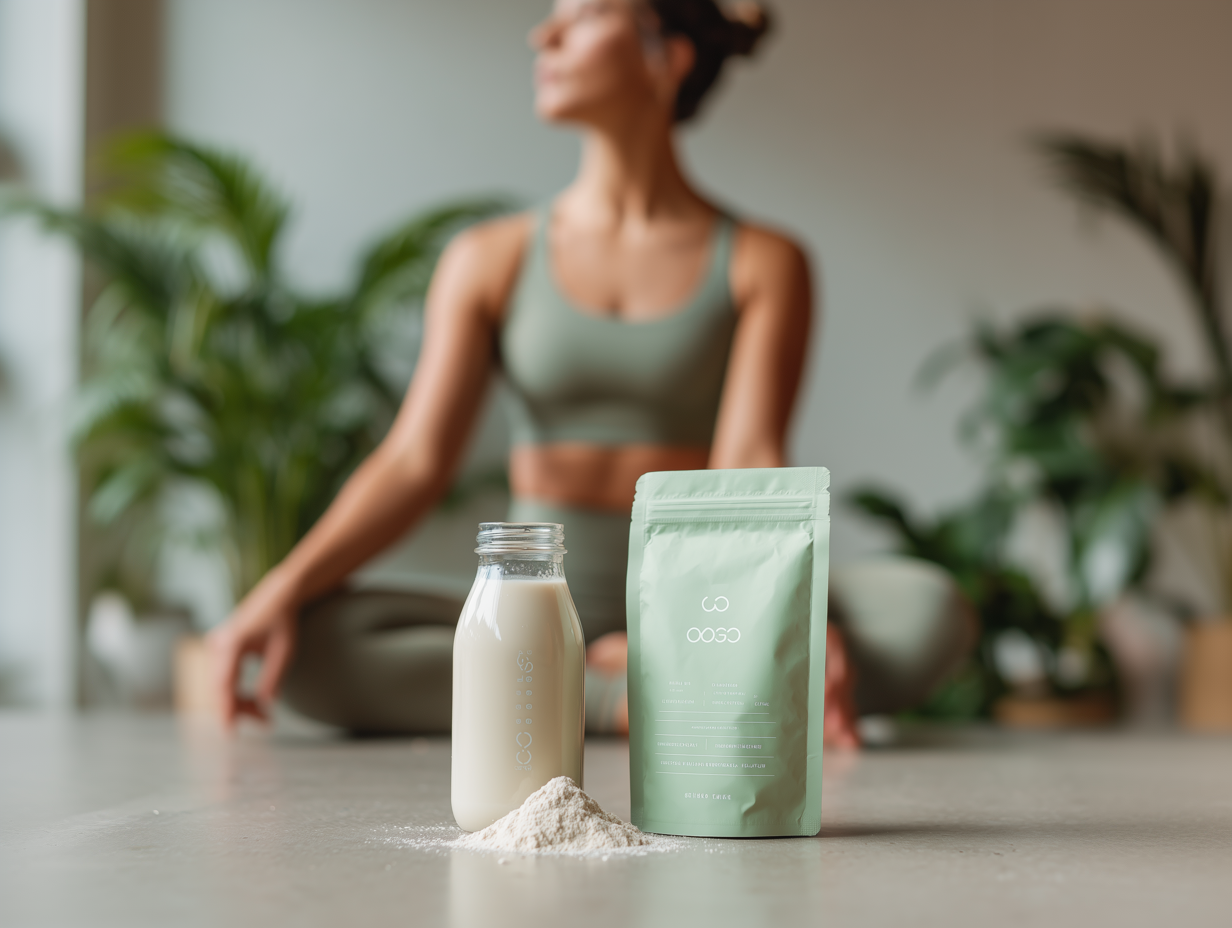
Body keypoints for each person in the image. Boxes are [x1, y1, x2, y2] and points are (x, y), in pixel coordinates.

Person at [208, 0, 867, 745]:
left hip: (699, 601)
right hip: (531, 603)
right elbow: (414, 461)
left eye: (581, 15)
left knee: (923, 614)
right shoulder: (488, 258)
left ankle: (628, 676)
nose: (543, 35)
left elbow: (749, 461)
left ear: (668, 54)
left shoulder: (764, 261)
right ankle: (628, 695)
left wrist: (775, 615)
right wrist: (279, 588)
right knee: (313, 648)